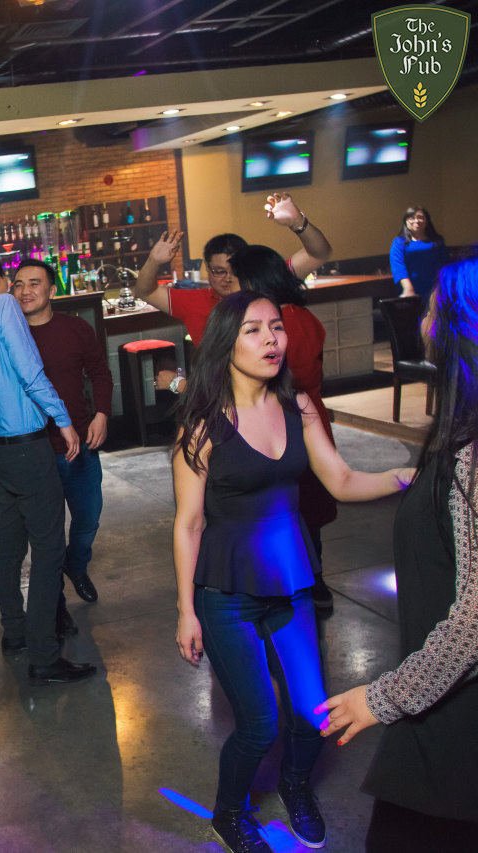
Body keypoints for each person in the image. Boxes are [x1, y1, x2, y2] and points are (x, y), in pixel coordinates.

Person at [171, 291, 413, 853]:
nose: (271, 339)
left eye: (276, 327)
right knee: (259, 724)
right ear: (226, 344)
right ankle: (229, 814)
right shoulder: (202, 426)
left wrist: (405, 476)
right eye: (253, 330)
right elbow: (188, 523)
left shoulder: (297, 405)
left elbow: (342, 481)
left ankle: (296, 783)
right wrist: (186, 611)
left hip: (292, 580)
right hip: (225, 591)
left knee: (311, 714)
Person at [317, 258, 478, 851]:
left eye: (433, 307)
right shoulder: (459, 440)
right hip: (441, 712)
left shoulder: (473, 458)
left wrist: (382, 698)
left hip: (456, 726)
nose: (424, 318)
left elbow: (475, 619)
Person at [0, 251, 95, 685]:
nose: (12, 286)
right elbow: (30, 370)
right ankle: (44, 655)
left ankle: (14, 633)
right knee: (49, 550)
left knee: (9, 544)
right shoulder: (3, 306)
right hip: (28, 448)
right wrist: (63, 419)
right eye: (6, 278)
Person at [228, 244, 339, 612]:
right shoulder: (301, 316)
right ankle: (313, 585)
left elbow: (285, 381)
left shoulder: (277, 325)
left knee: (289, 507)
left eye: (238, 280)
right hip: (309, 417)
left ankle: (299, 589)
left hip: (290, 423)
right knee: (306, 511)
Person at [11, 259, 113, 605]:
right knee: (46, 534)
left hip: (80, 443)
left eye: (34, 283)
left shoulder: (76, 328)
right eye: (19, 284)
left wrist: (101, 414)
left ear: (52, 290)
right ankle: (55, 607)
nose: (25, 291)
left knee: (88, 519)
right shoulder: (9, 336)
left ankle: (77, 565)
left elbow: (100, 373)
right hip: (34, 448)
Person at [135, 192, 332, 350]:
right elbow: (145, 291)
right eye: (219, 271)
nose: (228, 278)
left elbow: (318, 254)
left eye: (235, 270)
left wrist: (297, 222)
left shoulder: (267, 281)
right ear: (207, 269)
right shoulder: (196, 302)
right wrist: (154, 261)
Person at [389, 205, 447, 302]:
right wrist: (408, 288)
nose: (416, 221)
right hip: (410, 292)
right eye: (412, 218)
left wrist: (440, 288)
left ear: (426, 221)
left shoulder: (437, 241)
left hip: (436, 290)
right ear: (406, 221)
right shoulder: (399, 242)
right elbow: (398, 266)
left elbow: (444, 265)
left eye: (420, 217)